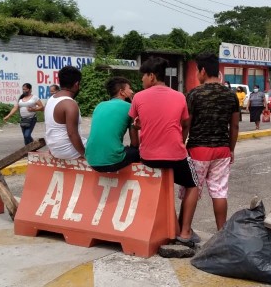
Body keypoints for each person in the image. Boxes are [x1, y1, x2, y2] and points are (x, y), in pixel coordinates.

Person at [128, 56, 199, 244]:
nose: (142, 80)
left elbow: (135, 124)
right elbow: (185, 123)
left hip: (149, 157)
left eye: (143, 76)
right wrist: (181, 143)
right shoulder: (179, 96)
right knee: (193, 185)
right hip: (175, 156)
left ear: (151, 76)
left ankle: (169, 226)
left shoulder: (138, 97)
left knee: (161, 187)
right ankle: (184, 232)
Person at [185, 52, 240, 231]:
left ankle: (184, 231)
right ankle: (221, 233)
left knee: (192, 188)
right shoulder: (231, 95)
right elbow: (234, 126)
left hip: (198, 150)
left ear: (203, 71)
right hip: (222, 150)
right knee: (219, 192)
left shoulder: (194, 94)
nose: (196, 75)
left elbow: (186, 124)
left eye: (196, 72)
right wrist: (230, 149)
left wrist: (181, 144)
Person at [85, 76, 139, 172]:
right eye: (129, 88)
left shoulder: (99, 105)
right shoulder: (129, 107)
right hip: (112, 161)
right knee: (137, 152)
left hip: (91, 159)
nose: (132, 91)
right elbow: (135, 143)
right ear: (122, 92)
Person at [44, 66, 86, 159]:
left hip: (54, 149)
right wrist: (85, 154)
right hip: (67, 150)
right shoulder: (70, 104)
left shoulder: (51, 99)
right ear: (76, 84)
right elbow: (72, 134)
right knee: (102, 147)